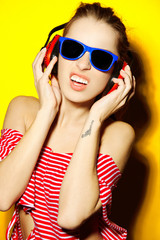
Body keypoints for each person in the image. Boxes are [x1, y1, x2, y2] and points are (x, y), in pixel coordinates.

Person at [0, 2, 135, 240]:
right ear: (54, 53)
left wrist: (95, 117)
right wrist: (47, 111)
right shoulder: (22, 109)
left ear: (116, 74)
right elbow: (2, 195)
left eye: (101, 59)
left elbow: (71, 215)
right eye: (72, 49)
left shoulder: (118, 134)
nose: (83, 65)